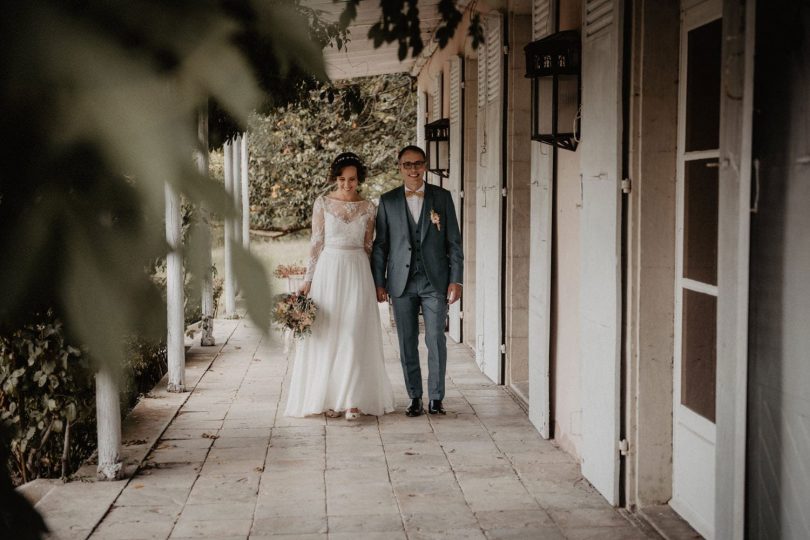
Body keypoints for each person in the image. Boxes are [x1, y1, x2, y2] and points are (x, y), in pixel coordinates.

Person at [284, 152, 395, 419]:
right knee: (330, 334)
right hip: (329, 270)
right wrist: (308, 280)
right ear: (335, 179)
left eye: (352, 179)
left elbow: (369, 246)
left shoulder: (369, 207)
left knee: (354, 334)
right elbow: (315, 243)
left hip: (357, 271)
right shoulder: (322, 203)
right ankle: (330, 398)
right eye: (343, 179)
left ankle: (352, 400)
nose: (347, 184)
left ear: (359, 180)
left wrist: (374, 282)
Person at [371, 145, 463, 417]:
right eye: (407, 164)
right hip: (400, 282)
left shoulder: (442, 197)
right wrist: (380, 282)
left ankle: (436, 397)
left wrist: (456, 280)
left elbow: (454, 243)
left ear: (425, 166)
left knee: (436, 339)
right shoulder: (387, 201)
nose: (413, 169)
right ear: (399, 167)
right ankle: (414, 397)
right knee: (406, 341)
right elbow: (381, 246)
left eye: (418, 164)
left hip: (435, 280)